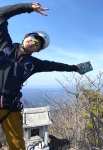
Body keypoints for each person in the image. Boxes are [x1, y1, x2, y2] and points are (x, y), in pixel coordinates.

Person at [0, 2, 80, 150]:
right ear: (26, 36)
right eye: (33, 37)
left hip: (10, 107)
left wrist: (75, 68)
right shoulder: (5, 45)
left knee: (17, 146)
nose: (33, 42)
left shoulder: (33, 63)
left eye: (38, 43)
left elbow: (55, 66)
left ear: (38, 50)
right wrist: (28, 8)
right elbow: (1, 14)